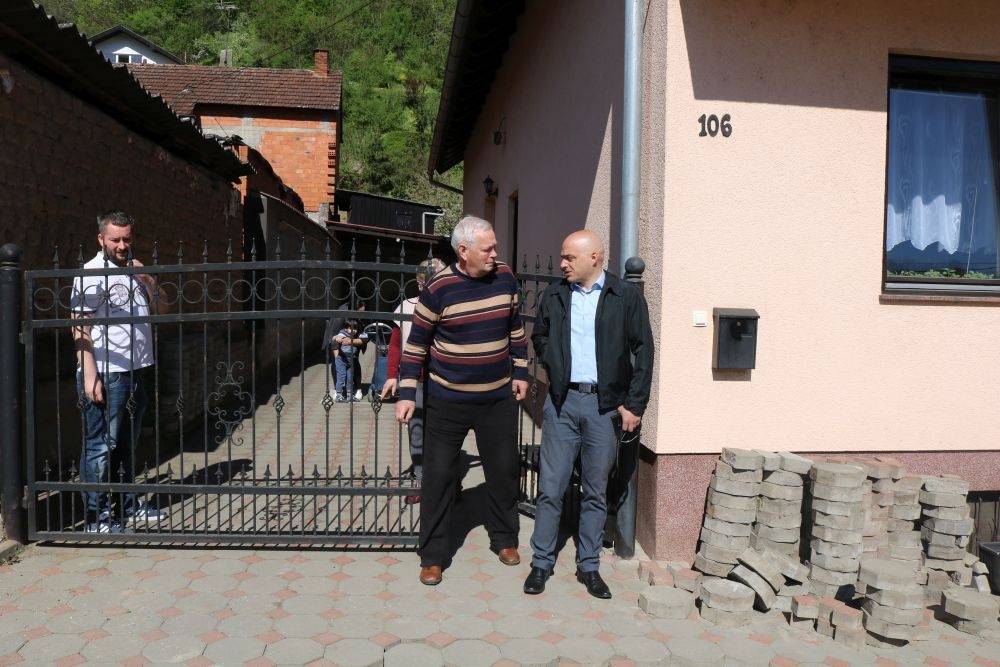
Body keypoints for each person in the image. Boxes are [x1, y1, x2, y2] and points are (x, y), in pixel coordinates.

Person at [396, 216, 529, 586]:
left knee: (503, 471)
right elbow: (416, 345)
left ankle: (504, 538)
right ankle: (433, 556)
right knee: (438, 477)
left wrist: (521, 372)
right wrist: (407, 393)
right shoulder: (438, 288)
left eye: (494, 246)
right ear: (463, 251)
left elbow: (515, 329)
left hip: (496, 398)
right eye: (488, 248)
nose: (495, 253)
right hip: (447, 400)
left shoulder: (505, 277)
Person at [523, 230, 653, 598]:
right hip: (562, 403)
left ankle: (589, 566)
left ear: (594, 257)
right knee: (551, 488)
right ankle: (541, 562)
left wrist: (635, 404)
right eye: (562, 257)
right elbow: (540, 335)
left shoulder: (624, 296)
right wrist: (554, 362)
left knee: (596, 491)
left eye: (569, 257)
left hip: (604, 407)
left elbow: (644, 350)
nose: (562, 264)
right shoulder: (555, 295)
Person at [71, 211, 169, 533]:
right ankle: (96, 518)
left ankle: (127, 505)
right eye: (115, 240)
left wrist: (148, 279)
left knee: (127, 443)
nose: (122, 245)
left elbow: (164, 308)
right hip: (107, 373)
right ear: (101, 239)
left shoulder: (134, 270)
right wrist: (89, 374)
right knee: (100, 446)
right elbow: (80, 326)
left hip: (137, 370)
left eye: (127, 239)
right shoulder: (91, 274)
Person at [381, 257, 446, 504]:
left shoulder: (450, 304)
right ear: (419, 284)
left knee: (443, 434)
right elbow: (395, 344)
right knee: (417, 431)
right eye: (427, 280)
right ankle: (421, 480)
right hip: (415, 380)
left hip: (444, 381)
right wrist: (391, 375)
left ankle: (446, 484)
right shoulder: (406, 307)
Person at [323, 303, 367, 400]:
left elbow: (365, 338)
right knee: (337, 367)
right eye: (360, 312)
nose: (362, 315)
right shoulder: (340, 316)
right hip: (338, 344)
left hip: (352, 346)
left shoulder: (359, 319)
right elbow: (333, 339)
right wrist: (337, 356)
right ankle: (337, 391)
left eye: (363, 312)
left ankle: (357, 388)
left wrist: (352, 341)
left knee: (354, 364)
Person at [333, 319, 368, 402]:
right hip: (341, 360)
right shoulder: (343, 333)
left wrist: (363, 334)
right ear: (346, 328)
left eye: (355, 329)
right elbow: (336, 337)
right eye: (351, 328)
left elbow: (366, 337)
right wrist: (337, 338)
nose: (353, 331)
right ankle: (338, 394)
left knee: (350, 378)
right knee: (341, 377)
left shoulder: (356, 335)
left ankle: (349, 395)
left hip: (351, 360)